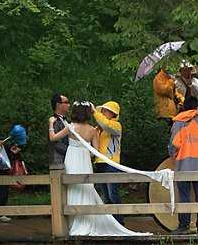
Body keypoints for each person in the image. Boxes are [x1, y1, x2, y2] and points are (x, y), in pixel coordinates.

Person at [48, 101, 148, 236]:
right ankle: (94, 219)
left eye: (105, 111)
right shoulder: (93, 130)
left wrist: (50, 124)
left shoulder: (72, 127)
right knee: (89, 188)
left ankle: (77, 220)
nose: (102, 113)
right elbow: (95, 151)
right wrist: (85, 153)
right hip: (85, 160)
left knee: (74, 187)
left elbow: (53, 138)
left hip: (72, 158)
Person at [169, 95, 198, 234]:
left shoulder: (178, 124)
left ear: (184, 107)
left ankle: (184, 226)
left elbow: (174, 145)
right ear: (197, 108)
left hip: (183, 166)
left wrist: (174, 156)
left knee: (184, 197)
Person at [91, 101, 124, 224]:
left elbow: (106, 125)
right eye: (102, 111)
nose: (102, 113)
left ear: (113, 113)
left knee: (112, 195)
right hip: (100, 163)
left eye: (105, 110)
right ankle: (110, 223)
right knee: (105, 196)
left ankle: (119, 223)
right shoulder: (99, 129)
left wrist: (94, 112)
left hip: (112, 164)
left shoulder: (116, 126)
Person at [49, 93, 70, 166]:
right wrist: (71, 152)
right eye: (66, 102)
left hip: (67, 159)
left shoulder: (67, 121)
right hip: (59, 160)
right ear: (58, 105)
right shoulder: (53, 121)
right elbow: (56, 143)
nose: (69, 105)